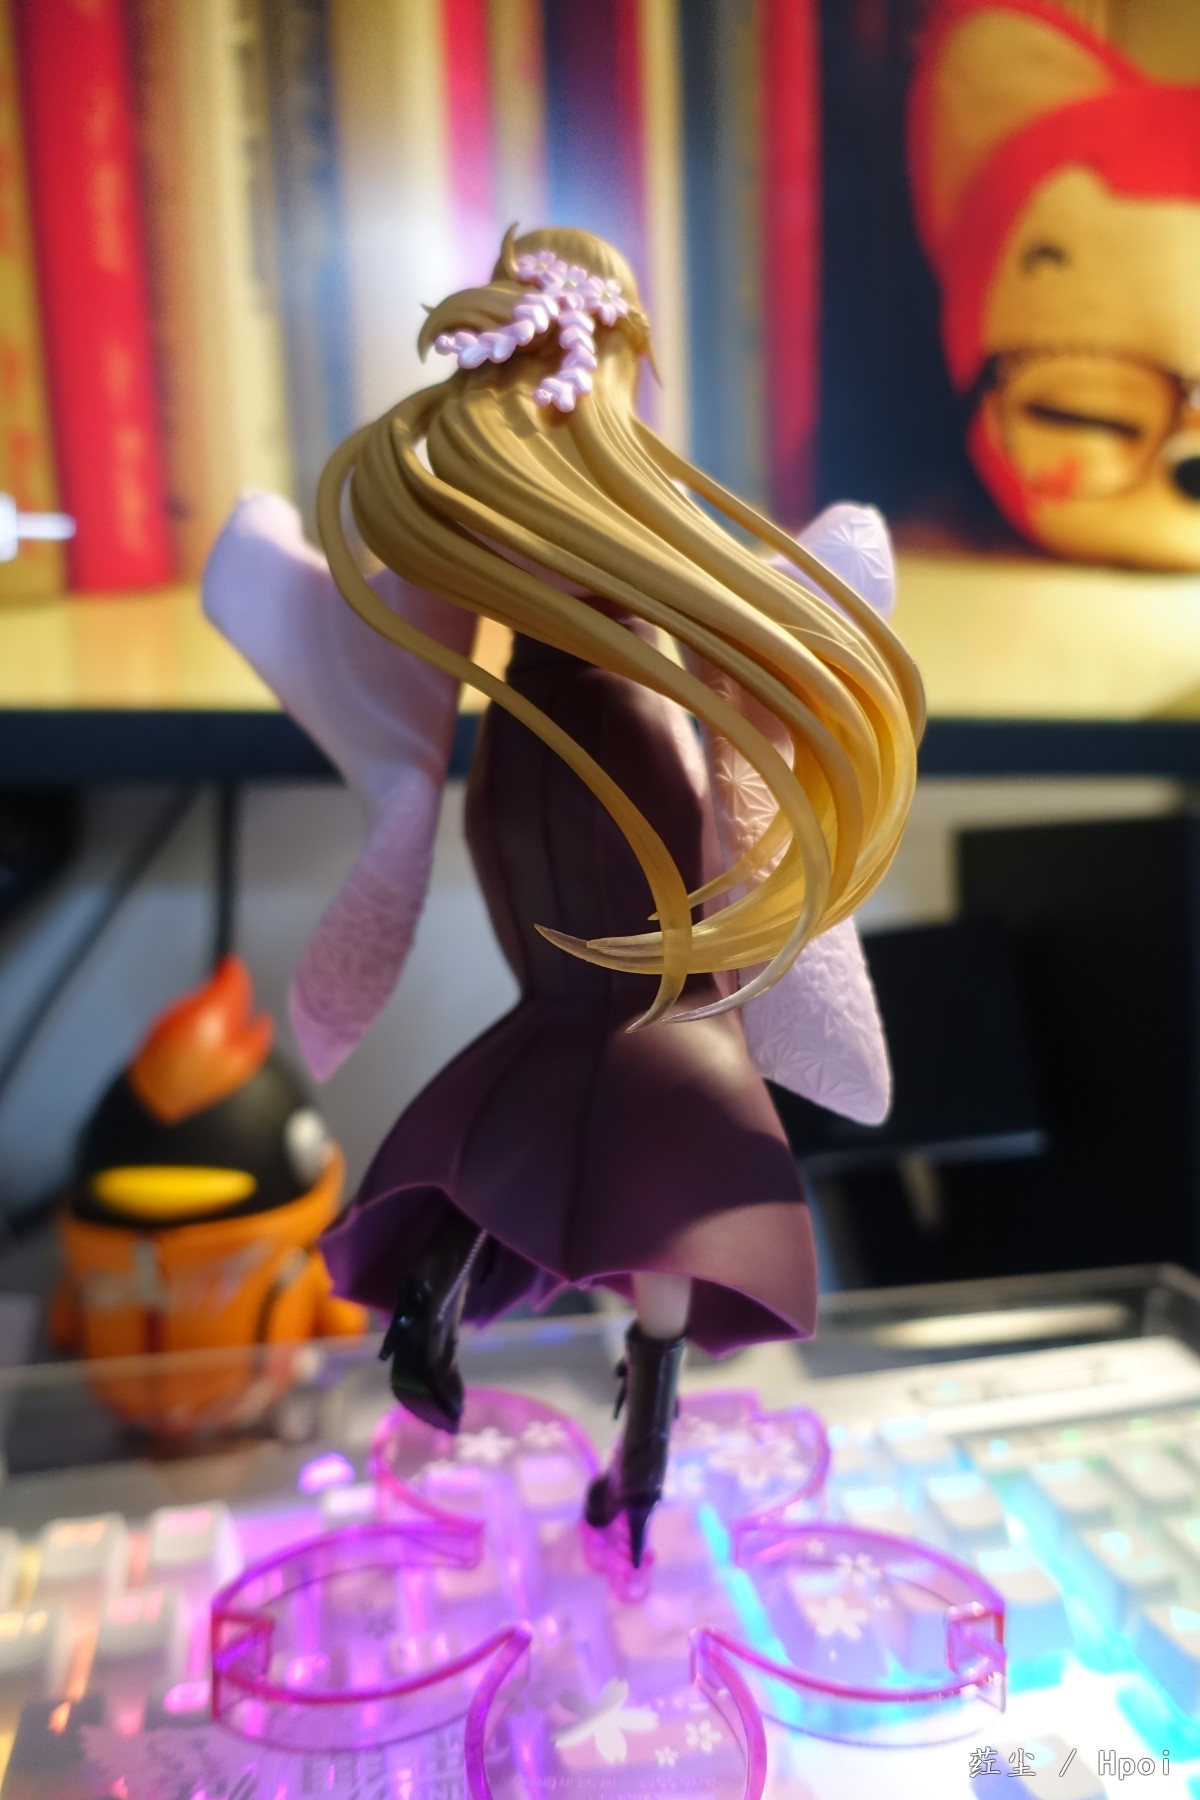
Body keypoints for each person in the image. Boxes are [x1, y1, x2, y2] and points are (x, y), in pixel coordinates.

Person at [204, 226, 923, 1564]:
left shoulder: (526, 511)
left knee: (563, 1067)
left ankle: (449, 1288)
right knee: (661, 1117)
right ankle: (624, 1429)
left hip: (536, 782)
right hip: (609, 790)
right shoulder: (612, 507)